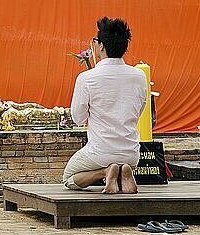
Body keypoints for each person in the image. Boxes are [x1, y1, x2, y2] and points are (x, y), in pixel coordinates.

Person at [62, 17, 148, 194]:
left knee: (69, 178)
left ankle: (106, 171)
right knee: (121, 160)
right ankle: (122, 172)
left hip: (100, 153)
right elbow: (139, 110)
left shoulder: (87, 78)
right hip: (131, 154)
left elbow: (77, 118)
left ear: (101, 46)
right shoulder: (139, 76)